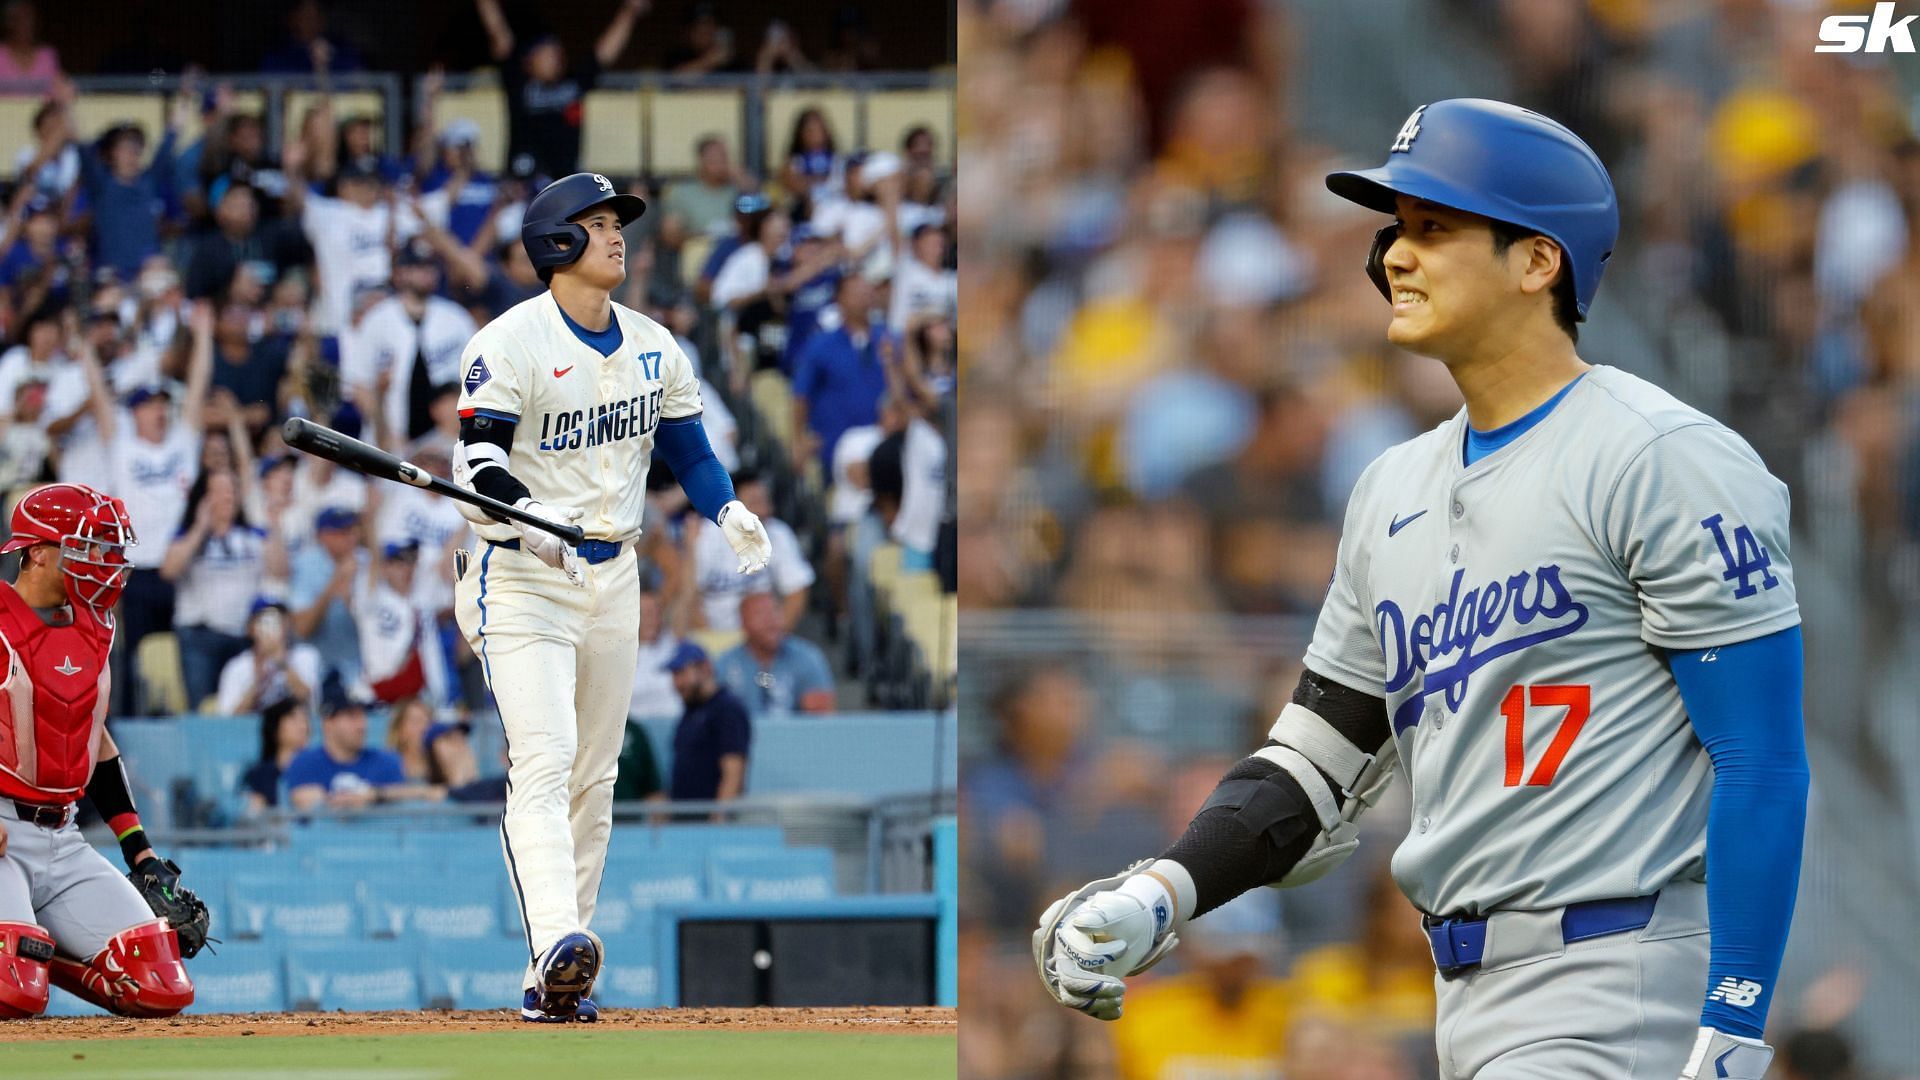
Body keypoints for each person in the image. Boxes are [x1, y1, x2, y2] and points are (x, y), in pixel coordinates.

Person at [1032, 100, 1809, 1080]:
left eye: (1435, 228)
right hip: (1467, 997)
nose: (1396, 255)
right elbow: (1315, 766)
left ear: (1539, 261)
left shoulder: (1661, 456)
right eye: (1398, 229)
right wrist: (1163, 892)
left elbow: (1762, 757)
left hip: (1621, 975)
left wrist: (1735, 1015)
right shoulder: (1391, 489)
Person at [448, 171, 772, 1022]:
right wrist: (526, 518)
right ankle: (556, 933)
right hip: (520, 573)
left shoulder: (656, 345)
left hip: (614, 571)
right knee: (546, 759)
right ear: (557, 241)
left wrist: (726, 507)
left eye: (617, 222)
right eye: (597, 224)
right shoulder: (507, 342)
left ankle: (559, 973)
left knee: (598, 775)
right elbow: (477, 462)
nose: (617, 235)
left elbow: (691, 453)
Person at [0, 483, 205, 1018]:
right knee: (12, 993)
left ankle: (38, 954)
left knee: (161, 986)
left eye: (109, 548)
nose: (106, 562)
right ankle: (26, 961)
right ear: (37, 552)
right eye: (88, 548)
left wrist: (138, 849)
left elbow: (95, 739)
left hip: (63, 836)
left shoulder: (98, 624)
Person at [474, 0, 647, 182]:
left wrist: (629, 12)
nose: (555, 58)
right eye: (547, 53)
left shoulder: (573, 83)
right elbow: (498, 32)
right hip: (523, 183)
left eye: (557, 53)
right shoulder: (518, 82)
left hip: (565, 184)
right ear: (529, 61)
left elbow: (605, 53)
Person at [159, 469, 287, 709]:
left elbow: (280, 571)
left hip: (244, 636)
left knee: (247, 706)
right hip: (200, 638)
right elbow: (169, 570)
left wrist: (275, 523)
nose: (227, 497)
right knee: (203, 707)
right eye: (219, 491)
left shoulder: (253, 535)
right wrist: (200, 527)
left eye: (232, 490)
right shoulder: (188, 536)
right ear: (204, 497)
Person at [342, 239, 478, 450]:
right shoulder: (376, 320)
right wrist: (388, 434)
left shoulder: (456, 319)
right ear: (398, 273)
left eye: (429, 267)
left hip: (448, 441)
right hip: (390, 442)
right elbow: (360, 384)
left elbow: (477, 376)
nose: (424, 273)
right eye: (415, 267)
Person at [284, 690, 415, 811]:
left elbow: (403, 801)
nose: (362, 725)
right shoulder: (304, 763)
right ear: (328, 723)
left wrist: (373, 795)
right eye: (352, 716)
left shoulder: (387, 762)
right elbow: (301, 801)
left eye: (363, 715)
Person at [713, 591, 835, 717]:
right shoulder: (725, 664)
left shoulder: (807, 658)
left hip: (793, 735)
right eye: (760, 614)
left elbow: (821, 718)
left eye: (775, 611)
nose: (770, 621)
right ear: (743, 623)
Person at [664, 642, 750, 805]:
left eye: (681, 672)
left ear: (705, 668)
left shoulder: (727, 709)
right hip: (685, 822)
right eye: (674, 675)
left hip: (708, 823)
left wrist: (719, 821)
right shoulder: (691, 711)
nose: (677, 683)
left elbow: (733, 771)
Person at [214, 598, 320, 716]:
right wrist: (257, 683)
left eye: (278, 621)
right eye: (264, 622)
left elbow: (308, 701)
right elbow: (228, 722)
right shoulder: (237, 667)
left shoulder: (305, 656)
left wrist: (281, 663)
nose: (271, 628)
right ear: (250, 629)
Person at [242, 696, 311, 815]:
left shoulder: (315, 769)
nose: (303, 726)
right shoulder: (258, 775)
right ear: (276, 726)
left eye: (305, 720)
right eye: (293, 719)